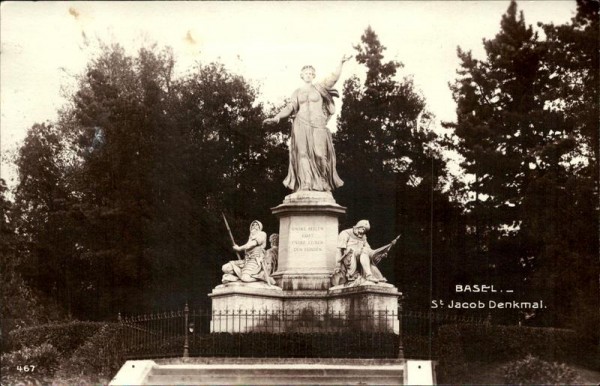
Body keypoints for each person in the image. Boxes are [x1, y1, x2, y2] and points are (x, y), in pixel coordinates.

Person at [263, 55, 352, 192]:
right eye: (306, 73)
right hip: (300, 124)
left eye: (311, 73)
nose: (309, 75)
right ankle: (306, 182)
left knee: (320, 155)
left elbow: (333, 78)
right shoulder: (297, 92)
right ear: (302, 76)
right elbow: (290, 108)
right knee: (303, 154)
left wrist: (340, 63)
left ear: (314, 75)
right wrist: (277, 117)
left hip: (318, 124)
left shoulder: (319, 88)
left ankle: (322, 181)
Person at [332, 220, 399, 286]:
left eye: (365, 231)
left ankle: (374, 276)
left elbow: (369, 250)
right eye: (362, 229)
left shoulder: (363, 236)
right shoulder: (345, 233)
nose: (362, 232)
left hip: (360, 255)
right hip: (349, 258)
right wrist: (337, 266)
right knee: (364, 251)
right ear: (357, 227)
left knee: (365, 251)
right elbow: (338, 250)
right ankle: (369, 275)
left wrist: (380, 254)